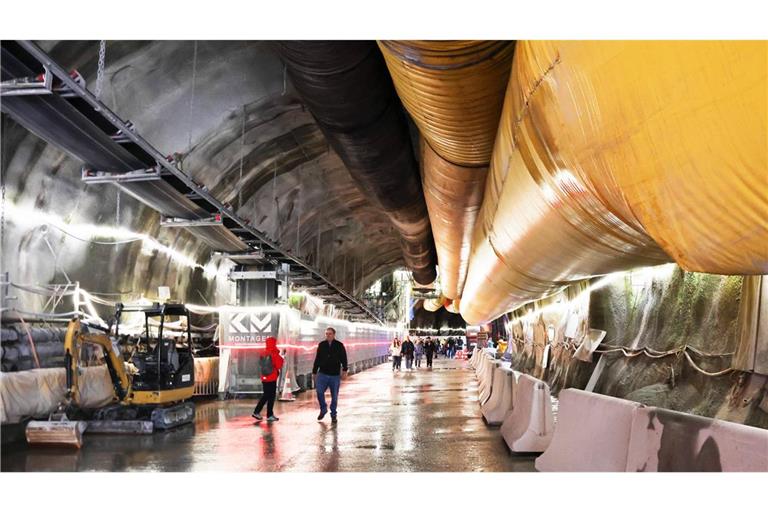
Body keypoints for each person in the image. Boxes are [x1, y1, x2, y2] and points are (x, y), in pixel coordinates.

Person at [312, 327, 348, 423]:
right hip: (322, 373)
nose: (328, 335)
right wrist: (314, 372)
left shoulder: (339, 345)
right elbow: (318, 359)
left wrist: (345, 370)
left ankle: (333, 414)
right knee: (319, 391)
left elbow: (344, 358)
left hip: (334, 375)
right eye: (327, 334)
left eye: (330, 334)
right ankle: (323, 409)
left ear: (334, 334)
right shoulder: (322, 345)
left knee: (334, 396)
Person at [252, 336, 284, 422]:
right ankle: (268, 414)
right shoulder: (274, 353)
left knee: (266, 394)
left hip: (264, 377)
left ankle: (258, 412)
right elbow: (279, 365)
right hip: (272, 377)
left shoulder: (263, 353)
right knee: (270, 396)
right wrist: (282, 356)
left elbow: (259, 363)